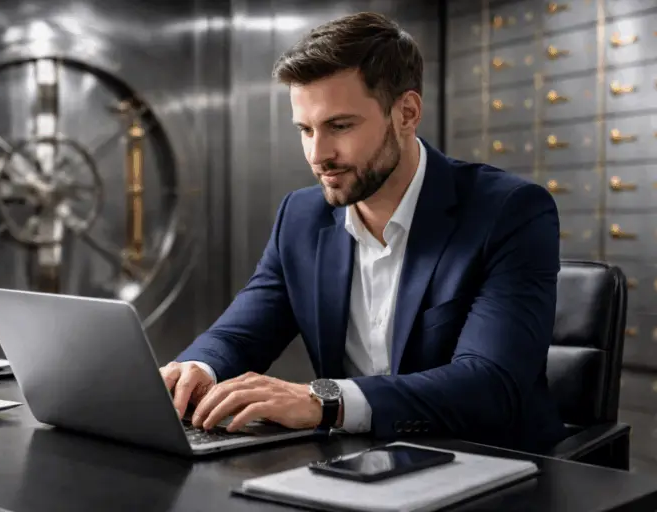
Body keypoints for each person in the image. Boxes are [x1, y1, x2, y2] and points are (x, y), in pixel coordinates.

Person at [159, 11, 568, 454]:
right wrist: (198, 368)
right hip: (360, 464)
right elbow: (242, 333)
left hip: (489, 463)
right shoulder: (300, 216)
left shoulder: (508, 212)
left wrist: (325, 402)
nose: (319, 154)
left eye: (340, 126)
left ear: (406, 113)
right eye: (305, 130)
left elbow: (490, 384)